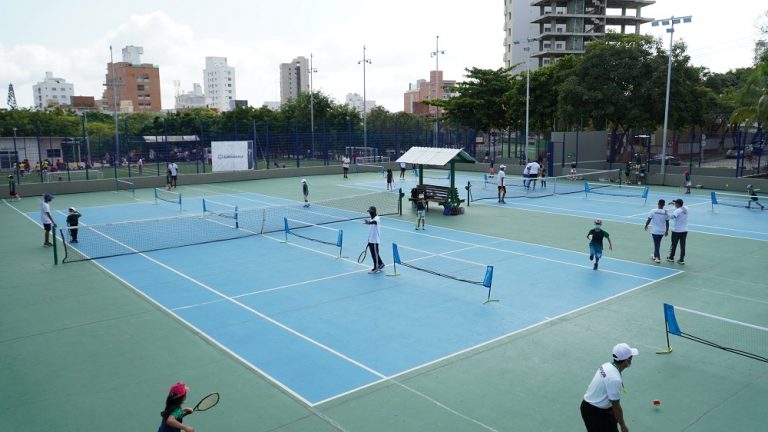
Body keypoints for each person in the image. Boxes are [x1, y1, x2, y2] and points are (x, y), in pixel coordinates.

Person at [580, 343, 638, 432]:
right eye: (631, 357)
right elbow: (616, 406)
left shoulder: (606, 365)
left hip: (594, 408)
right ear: (627, 360)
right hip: (594, 413)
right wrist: (623, 426)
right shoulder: (614, 379)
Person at [644, 199, 669, 263]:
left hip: (655, 231)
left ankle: (658, 257)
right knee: (658, 243)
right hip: (662, 231)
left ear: (658, 204)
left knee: (656, 244)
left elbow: (649, 219)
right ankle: (655, 256)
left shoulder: (653, 211)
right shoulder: (666, 212)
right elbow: (667, 222)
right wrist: (667, 231)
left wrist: (646, 225)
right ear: (664, 205)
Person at [363, 206, 385, 273]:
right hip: (371, 240)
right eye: (369, 212)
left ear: (374, 212)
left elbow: (374, 222)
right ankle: (381, 264)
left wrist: (368, 223)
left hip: (375, 241)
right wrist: (369, 240)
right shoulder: (371, 218)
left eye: (370, 212)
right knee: (375, 254)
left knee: (374, 255)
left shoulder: (377, 218)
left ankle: (376, 268)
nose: (369, 213)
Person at [667, 199, 688, 265]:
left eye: (676, 203)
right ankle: (682, 260)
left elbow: (672, 217)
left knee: (674, 245)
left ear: (678, 204)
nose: (675, 204)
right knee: (682, 246)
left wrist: (666, 212)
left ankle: (671, 257)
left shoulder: (677, 211)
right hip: (684, 231)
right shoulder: (686, 208)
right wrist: (674, 203)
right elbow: (681, 207)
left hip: (676, 231)